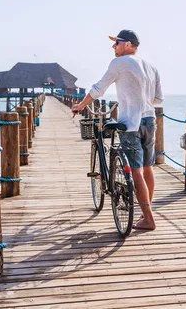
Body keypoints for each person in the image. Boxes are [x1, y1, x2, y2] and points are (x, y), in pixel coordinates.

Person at [72, 29, 163, 230]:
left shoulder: (119, 63)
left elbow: (98, 89)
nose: (113, 46)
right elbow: (157, 98)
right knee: (148, 168)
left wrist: (80, 105)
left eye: (117, 42)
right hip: (149, 120)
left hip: (130, 123)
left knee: (136, 171)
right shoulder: (150, 66)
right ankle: (145, 213)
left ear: (128, 44)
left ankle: (148, 219)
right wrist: (140, 98)